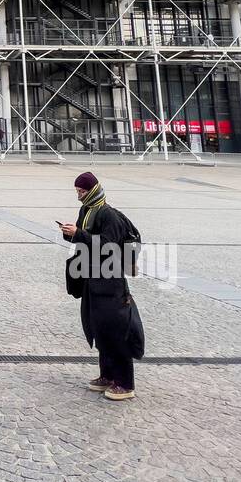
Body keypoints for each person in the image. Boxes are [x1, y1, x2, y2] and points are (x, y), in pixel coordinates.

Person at [60, 171, 145, 402]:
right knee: (99, 329)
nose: (79, 196)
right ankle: (107, 375)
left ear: (93, 190)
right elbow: (85, 237)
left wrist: (79, 234)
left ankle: (125, 383)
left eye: (82, 191)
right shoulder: (87, 211)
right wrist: (71, 234)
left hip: (110, 281)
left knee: (116, 330)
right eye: (77, 191)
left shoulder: (109, 216)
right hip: (91, 278)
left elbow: (108, 246)